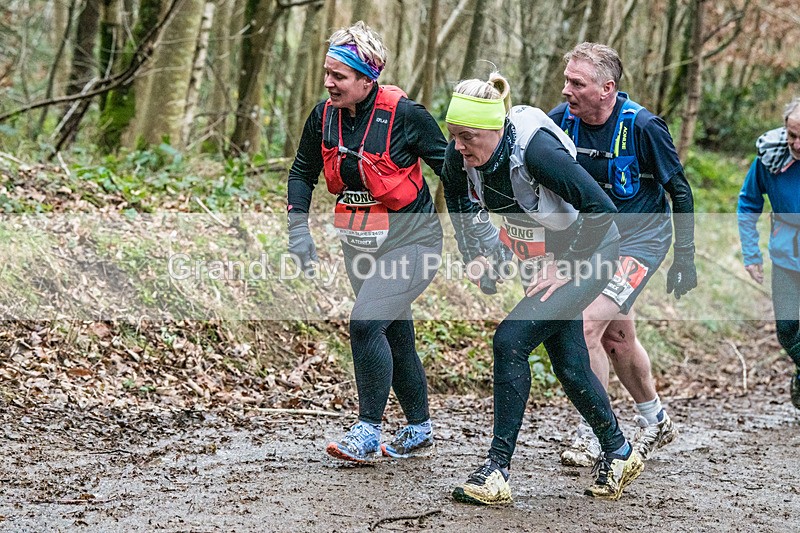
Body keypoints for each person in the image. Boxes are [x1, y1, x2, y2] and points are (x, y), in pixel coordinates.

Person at [442, 72, 643, 504]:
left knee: (510, 341)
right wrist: (476, 254)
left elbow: (601, 208)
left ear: (495, 129)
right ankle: (619, 451)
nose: (458, 146)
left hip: (592, 250)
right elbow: (459, 204)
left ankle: (497, 469)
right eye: (454, 135)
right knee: (569, 362)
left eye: (468, 137)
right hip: (547, 252)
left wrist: (567, 265)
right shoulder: (458, 153)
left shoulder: (537, 151)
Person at [286, 21, 448, 462]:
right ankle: (419, 428)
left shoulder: (408, 117)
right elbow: (302, 172)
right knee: (394, 334)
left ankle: (367, 430)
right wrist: (298, 230)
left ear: (366, 79)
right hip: (358, 244)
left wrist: (478, 233)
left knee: (364, 323)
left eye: (338, 75)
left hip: (414, 244)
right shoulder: (323, 117)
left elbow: (454, 170)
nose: (328, 82)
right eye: (327, 72)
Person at [548, 42, 696, 466]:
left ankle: (594, 432)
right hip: (594, 241)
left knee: (586, 326)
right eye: (566, 81)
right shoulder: (560, 122)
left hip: (640, 242)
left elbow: (680, 191)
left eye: (577, 83)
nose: (566, 90)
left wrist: (685, 256)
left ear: (607, 88)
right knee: (617, 338)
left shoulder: (644, 127)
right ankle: (656, 419)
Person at [737, 97, 800, 410]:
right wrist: (751, 254)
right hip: (787, 259)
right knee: (788, 331)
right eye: (792, 135)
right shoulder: (770, 157)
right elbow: (748, 203)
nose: (797, 144)